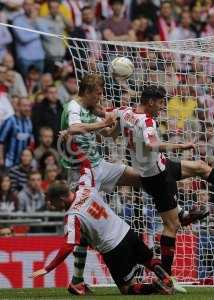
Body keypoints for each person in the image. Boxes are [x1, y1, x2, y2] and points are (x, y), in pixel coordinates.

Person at [60, 74, 203, 295]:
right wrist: (103, 123)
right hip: (81, 173)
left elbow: (106, 124)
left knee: (146, 175)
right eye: (97, 94)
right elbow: (76, 128)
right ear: (88, 92)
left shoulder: (89, 107)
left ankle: (180, 213)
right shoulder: (73, 108)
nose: (100, 98)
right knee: (84, 225)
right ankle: (77, 281)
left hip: (99, 166)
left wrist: (113, 121)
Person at [112, 85, 214, 286]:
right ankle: (166, 277)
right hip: (157, 177)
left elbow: (111, 125)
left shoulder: (125, 112)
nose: (162, 107)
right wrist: (181, 146)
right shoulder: (147, 121)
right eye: (159, 103)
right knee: (171, 225)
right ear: (150, 102)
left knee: (201, 167)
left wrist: (101, 129)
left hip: (160, 166)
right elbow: (151, 144)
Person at [31, 159, 174, 295]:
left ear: (60, 199)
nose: (51, 205)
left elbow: (68, 246)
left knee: (126, 288)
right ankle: (166, 279)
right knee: (149, 260)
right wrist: (74, 145)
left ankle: (156, 287)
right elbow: (86, 165)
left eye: (51, 202)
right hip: (127, 232)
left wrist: (47, 268)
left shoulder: (73, 215)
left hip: (114, 249)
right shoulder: (85, 187)